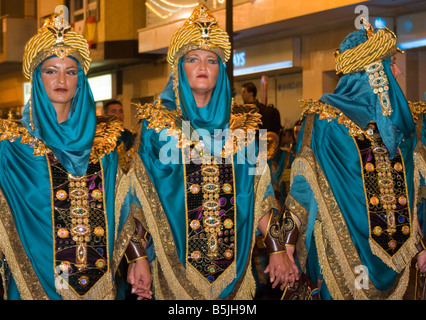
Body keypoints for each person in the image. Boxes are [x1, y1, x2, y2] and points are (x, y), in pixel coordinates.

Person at [122, 4, 299, 300]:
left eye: (211, 60)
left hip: (236, 266)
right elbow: (139, 198)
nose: (202, 67)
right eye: (193, 59)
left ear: (222, 69)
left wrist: (278, 248)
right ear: (179, 67)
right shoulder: (158, 126)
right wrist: (137, 257)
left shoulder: (243, 126)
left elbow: (261, 194)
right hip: (174, 268)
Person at [0, 12, 148, 300]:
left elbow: (123, 206)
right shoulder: (12, 145)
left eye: (71, 70)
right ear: (36, 76)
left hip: (98, 282)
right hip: (33, 280)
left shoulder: (105, 144)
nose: (61, 79)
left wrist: (137, 257)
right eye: (51, 70)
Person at [282, 18, 426, 299]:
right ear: (372, 72)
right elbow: (301, 193)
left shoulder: (403, 128)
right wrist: (282, 249)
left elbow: (409, 195)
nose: (396, 71)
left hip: (396, 261)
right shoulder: (326, 123)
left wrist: (420, 245)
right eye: (390, 63)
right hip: (342, 257)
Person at [103, 100, 135, 173]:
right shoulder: (100, 137)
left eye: (121, 111)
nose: (118, 115)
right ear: (105, 115)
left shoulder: (128, 135)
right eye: (113, 111)